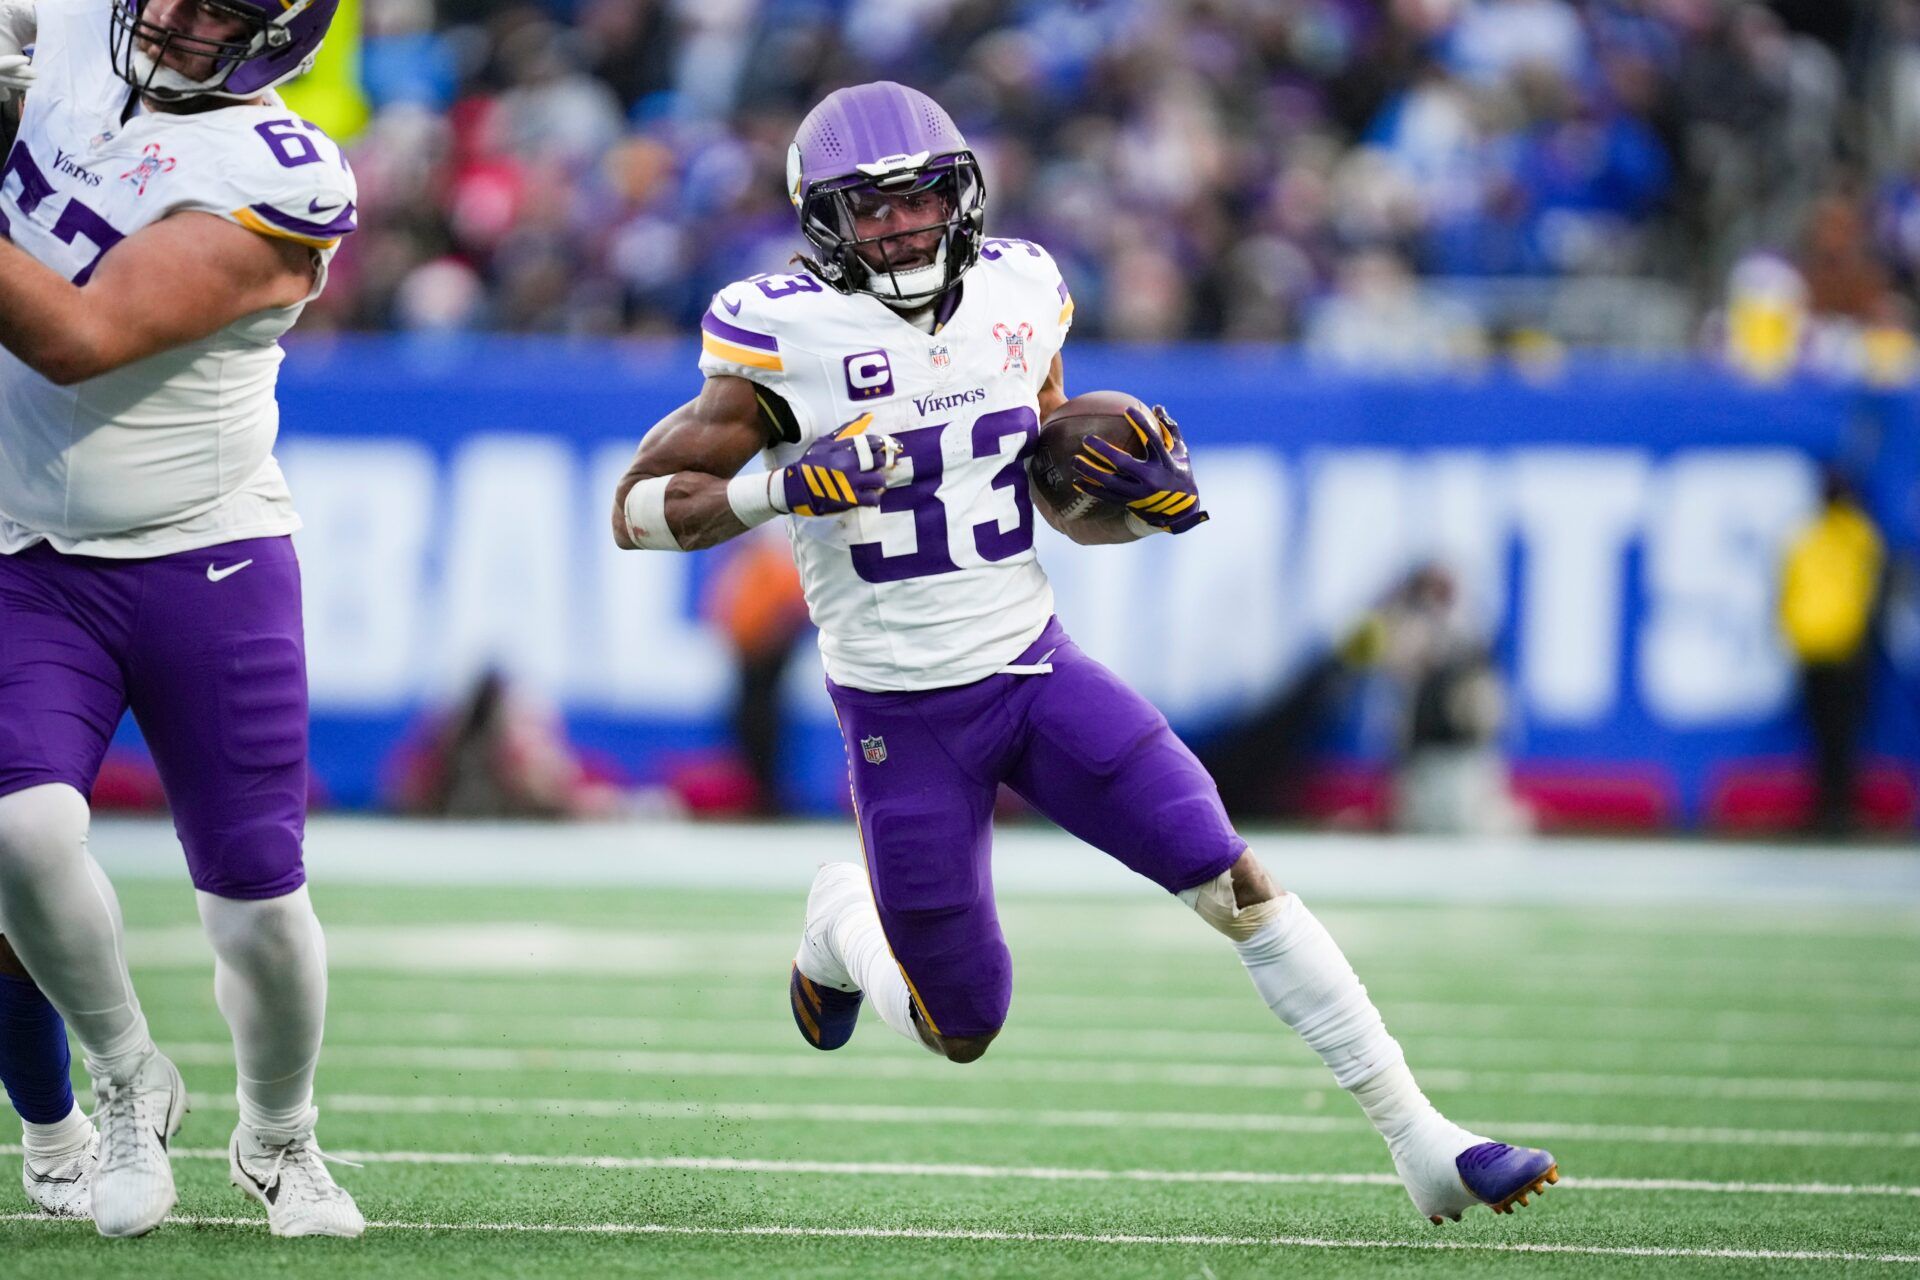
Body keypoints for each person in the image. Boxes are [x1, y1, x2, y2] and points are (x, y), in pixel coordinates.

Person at [610, 81, 1558, 1226]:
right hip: (903, 714)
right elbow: (635, 511)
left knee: (1231, 875)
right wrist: (780, 487)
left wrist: (1129, 503)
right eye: (873, 208)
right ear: (827, 224)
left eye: (920, 198)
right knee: (964, 1022)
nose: (903, 225)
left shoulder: (1021, 291)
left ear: (961, 196)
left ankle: (1422, 1136)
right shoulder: (785, 334)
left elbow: (1052, 498)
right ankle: (838, 918)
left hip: (1036, 669)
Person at [0, 0, 363, 1238]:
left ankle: (280, 1133)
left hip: (204, 548)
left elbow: (79, 335)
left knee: (257, 902)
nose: (168, 15)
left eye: (213, 6)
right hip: (24, 547)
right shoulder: (74, 24)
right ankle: (122, 1074)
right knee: (18, 831)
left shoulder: (278, 171)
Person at [1780, 469, 1885, 835]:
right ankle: (1828, 808)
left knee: (1838, 734)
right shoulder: (1825, 534)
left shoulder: (1848, 535)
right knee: (1826, 734)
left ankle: (1839, 808)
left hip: (1837, 648)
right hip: (1821, 648)